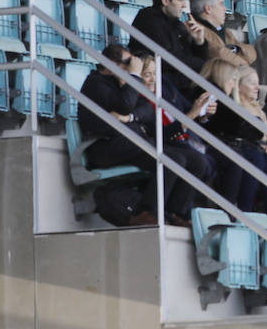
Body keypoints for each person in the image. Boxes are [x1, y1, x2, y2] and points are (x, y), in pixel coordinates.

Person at [77, 49, 213, 225]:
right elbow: (125, 105)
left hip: (134, 142)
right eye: (129, 62)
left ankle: (175, 212)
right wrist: (134, 76)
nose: (133, 66)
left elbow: (146, 109)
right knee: (173, 159)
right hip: (108, 146)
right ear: (113, 64)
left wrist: (130, 117)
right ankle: (147, 212)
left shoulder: (121, 83)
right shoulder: (96, 84)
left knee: (197, 161)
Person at [204, 64, 267, 211]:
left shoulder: (259, 109)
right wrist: (265, 130)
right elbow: (246, 131)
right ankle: (245, 210)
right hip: (240, 148)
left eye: (258, 83)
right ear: (238, 85)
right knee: (256, 157)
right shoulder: (233, 106)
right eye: (252, 83)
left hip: (258, 149)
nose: (257, 87)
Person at [131, 0, 208, 89]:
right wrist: (205, 66)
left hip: (179, 83)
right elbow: (169, 60)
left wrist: (199, 42)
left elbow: (190, 58)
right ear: (166, 0)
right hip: (162, 85)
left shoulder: (177, 24)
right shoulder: (148, 19)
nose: (184, 5)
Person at [188, 0, 257, 71]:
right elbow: (219, 54)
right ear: (208, 9)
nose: (225, 8)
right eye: (221, 4)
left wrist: (234, 49)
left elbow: (252, 53)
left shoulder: (225, 31)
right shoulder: (193, 29)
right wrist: (243, 64)